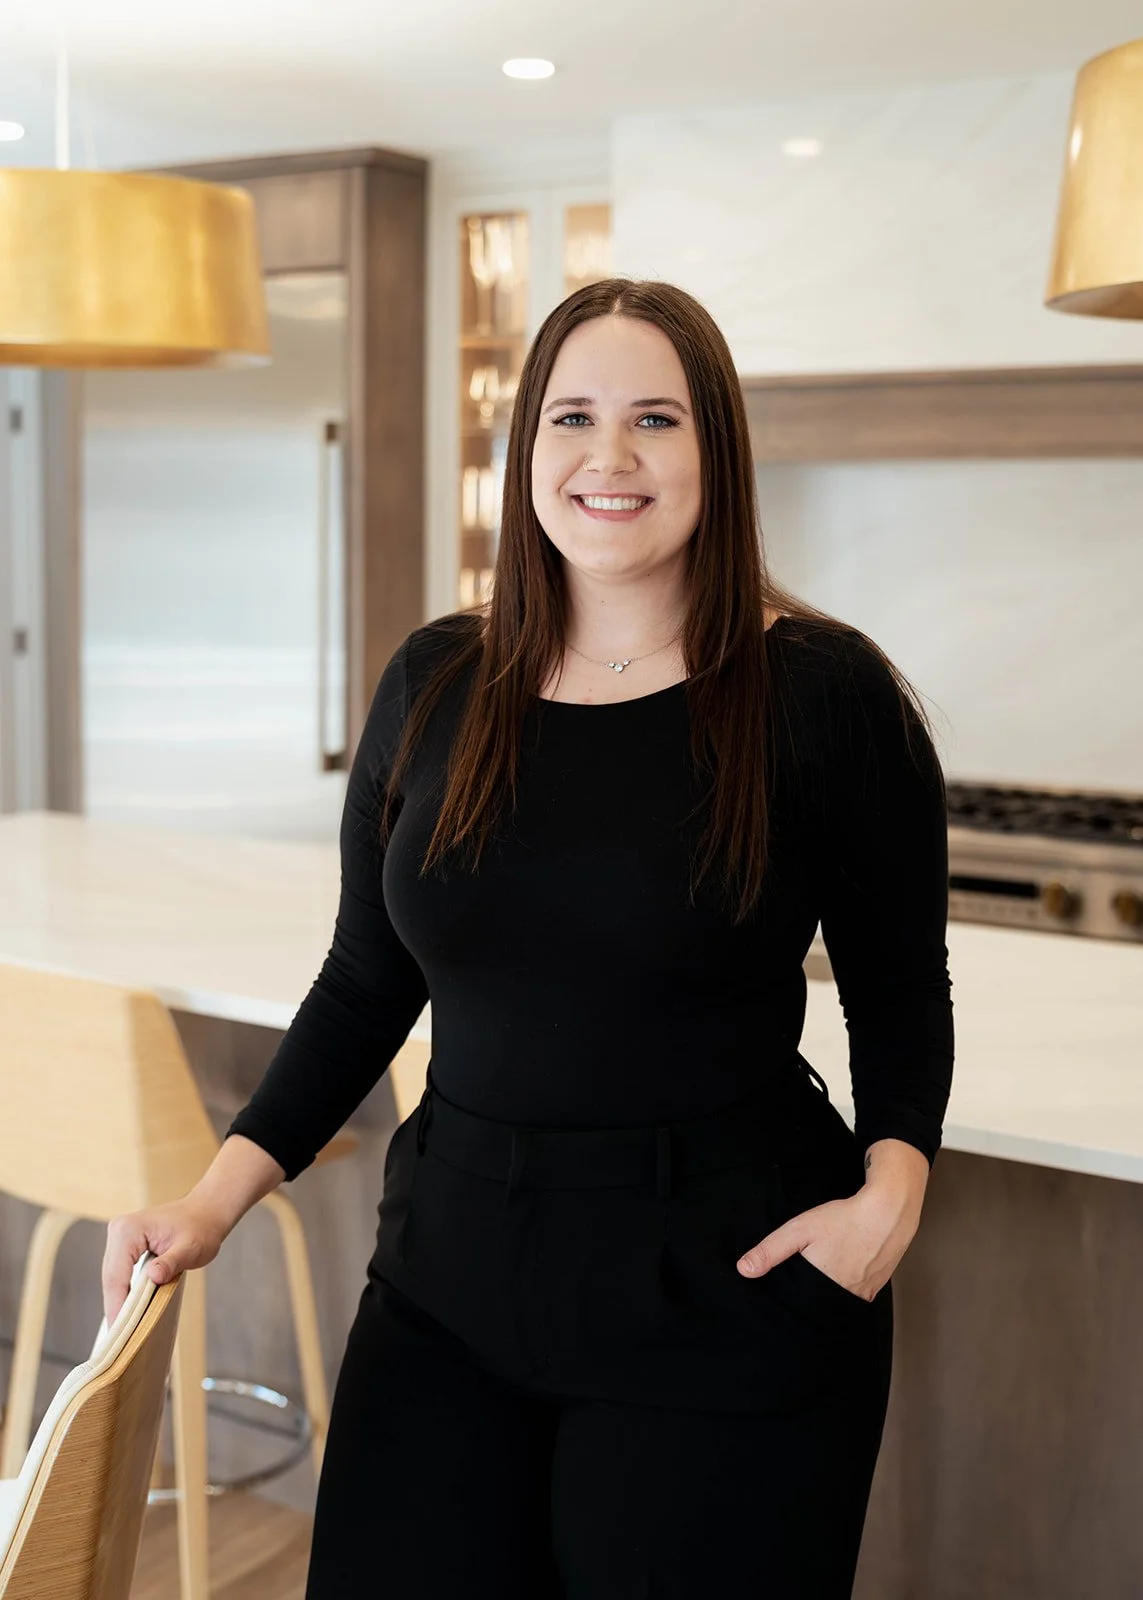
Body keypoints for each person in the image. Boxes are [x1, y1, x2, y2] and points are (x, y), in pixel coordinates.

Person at [102, 278, 954, 1598]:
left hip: (726, 1279)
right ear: (526, 454)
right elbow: (362, 978)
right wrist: (212, 1201)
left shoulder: (825, 696)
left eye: (655, 420)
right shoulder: (437, 681)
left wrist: (887, 1199)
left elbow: (899, 987)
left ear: (714, 454)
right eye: (571, 417)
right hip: (450, 1270)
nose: (608, 458)